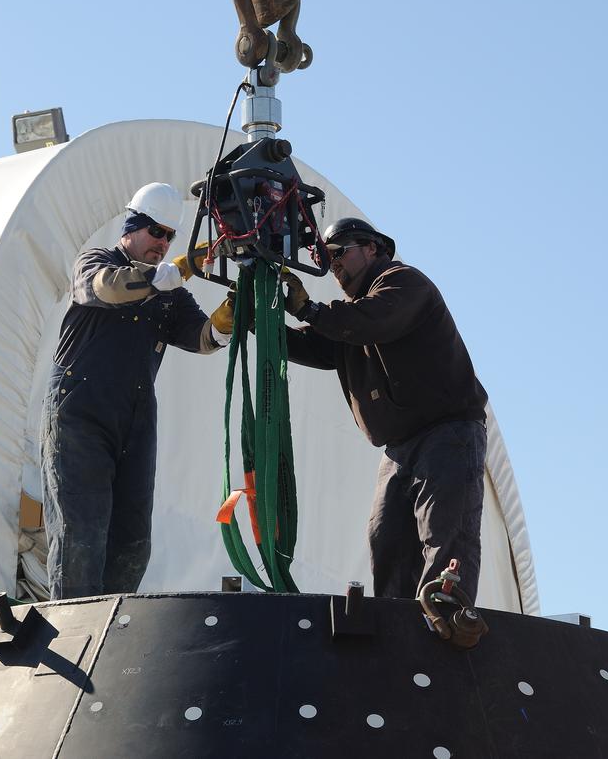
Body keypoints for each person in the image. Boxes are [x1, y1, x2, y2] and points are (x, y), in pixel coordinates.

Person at [42, 182, 235, 599]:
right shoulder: (96, 262)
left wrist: (232, 314)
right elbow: (109, 288)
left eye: (169, 236)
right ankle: (76, 629)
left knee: (133, 542)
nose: (163, 243)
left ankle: (111, 626)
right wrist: (181, 268)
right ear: (130, 228)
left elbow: (203, 338)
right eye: (156, 232)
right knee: (81, 534)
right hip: (80, 413)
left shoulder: (170, 295)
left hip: (135, 417)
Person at [281, 218, 490, 603]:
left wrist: (309, 308)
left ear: (372, 248)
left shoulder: (403, 283)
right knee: (387, 539)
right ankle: (397, 629)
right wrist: (259, 322)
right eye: (326, 260)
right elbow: (321, 345)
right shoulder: (351, 316)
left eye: (338, 254)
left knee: (444, 533)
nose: (334, 266)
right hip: (399, 447)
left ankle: (445, 619)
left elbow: (372, 322)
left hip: (448, 434)